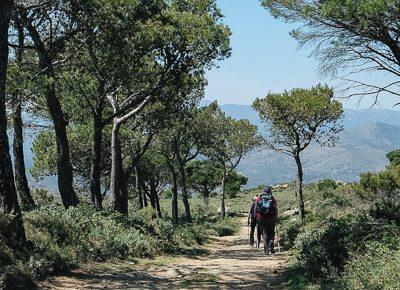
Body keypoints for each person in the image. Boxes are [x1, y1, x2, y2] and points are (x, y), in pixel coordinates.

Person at [255, 186, 278, 255]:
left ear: (263, 191)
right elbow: (276, 209)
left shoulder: (259, 197)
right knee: (271, 232)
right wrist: (276, 218)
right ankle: (271, 244)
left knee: (265, 233)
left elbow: (256, 209)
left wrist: (256, 217)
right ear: (270, 191)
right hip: (272, 218)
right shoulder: (272, 198)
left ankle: (267, 250)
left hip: (262, 218)